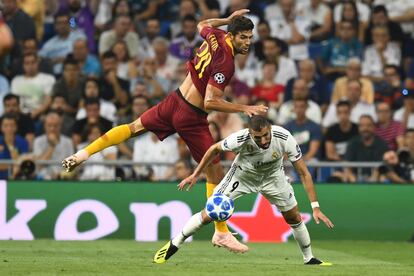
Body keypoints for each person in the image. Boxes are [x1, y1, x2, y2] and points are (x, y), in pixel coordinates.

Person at [62, 10, 268, 253]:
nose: (248, 42)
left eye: (250, 38)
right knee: (215, 170)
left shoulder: (215, 36)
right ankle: (221, 233)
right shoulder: (226, 61)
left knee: (133, 127)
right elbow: (211, 102)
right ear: (232, 36)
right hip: (191, 116)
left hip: (175, 100)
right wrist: (246, 108)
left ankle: (82, 154)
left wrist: (227, 20)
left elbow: (202, 22)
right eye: (243, 37)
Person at [153, 115, 333, 264]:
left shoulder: (284, 137)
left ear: (270, 129)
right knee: (211, 212)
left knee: (294, 217)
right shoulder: (240, 138)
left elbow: (304, 173)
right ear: (250, 134)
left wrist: (315, 206)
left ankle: (309, 258)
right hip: (242, 176)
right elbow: (213, 149)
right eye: (258, 137)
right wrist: (195, 174)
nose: (263, 140)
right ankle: (175, 243)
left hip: (273, 178)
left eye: (266, 135)